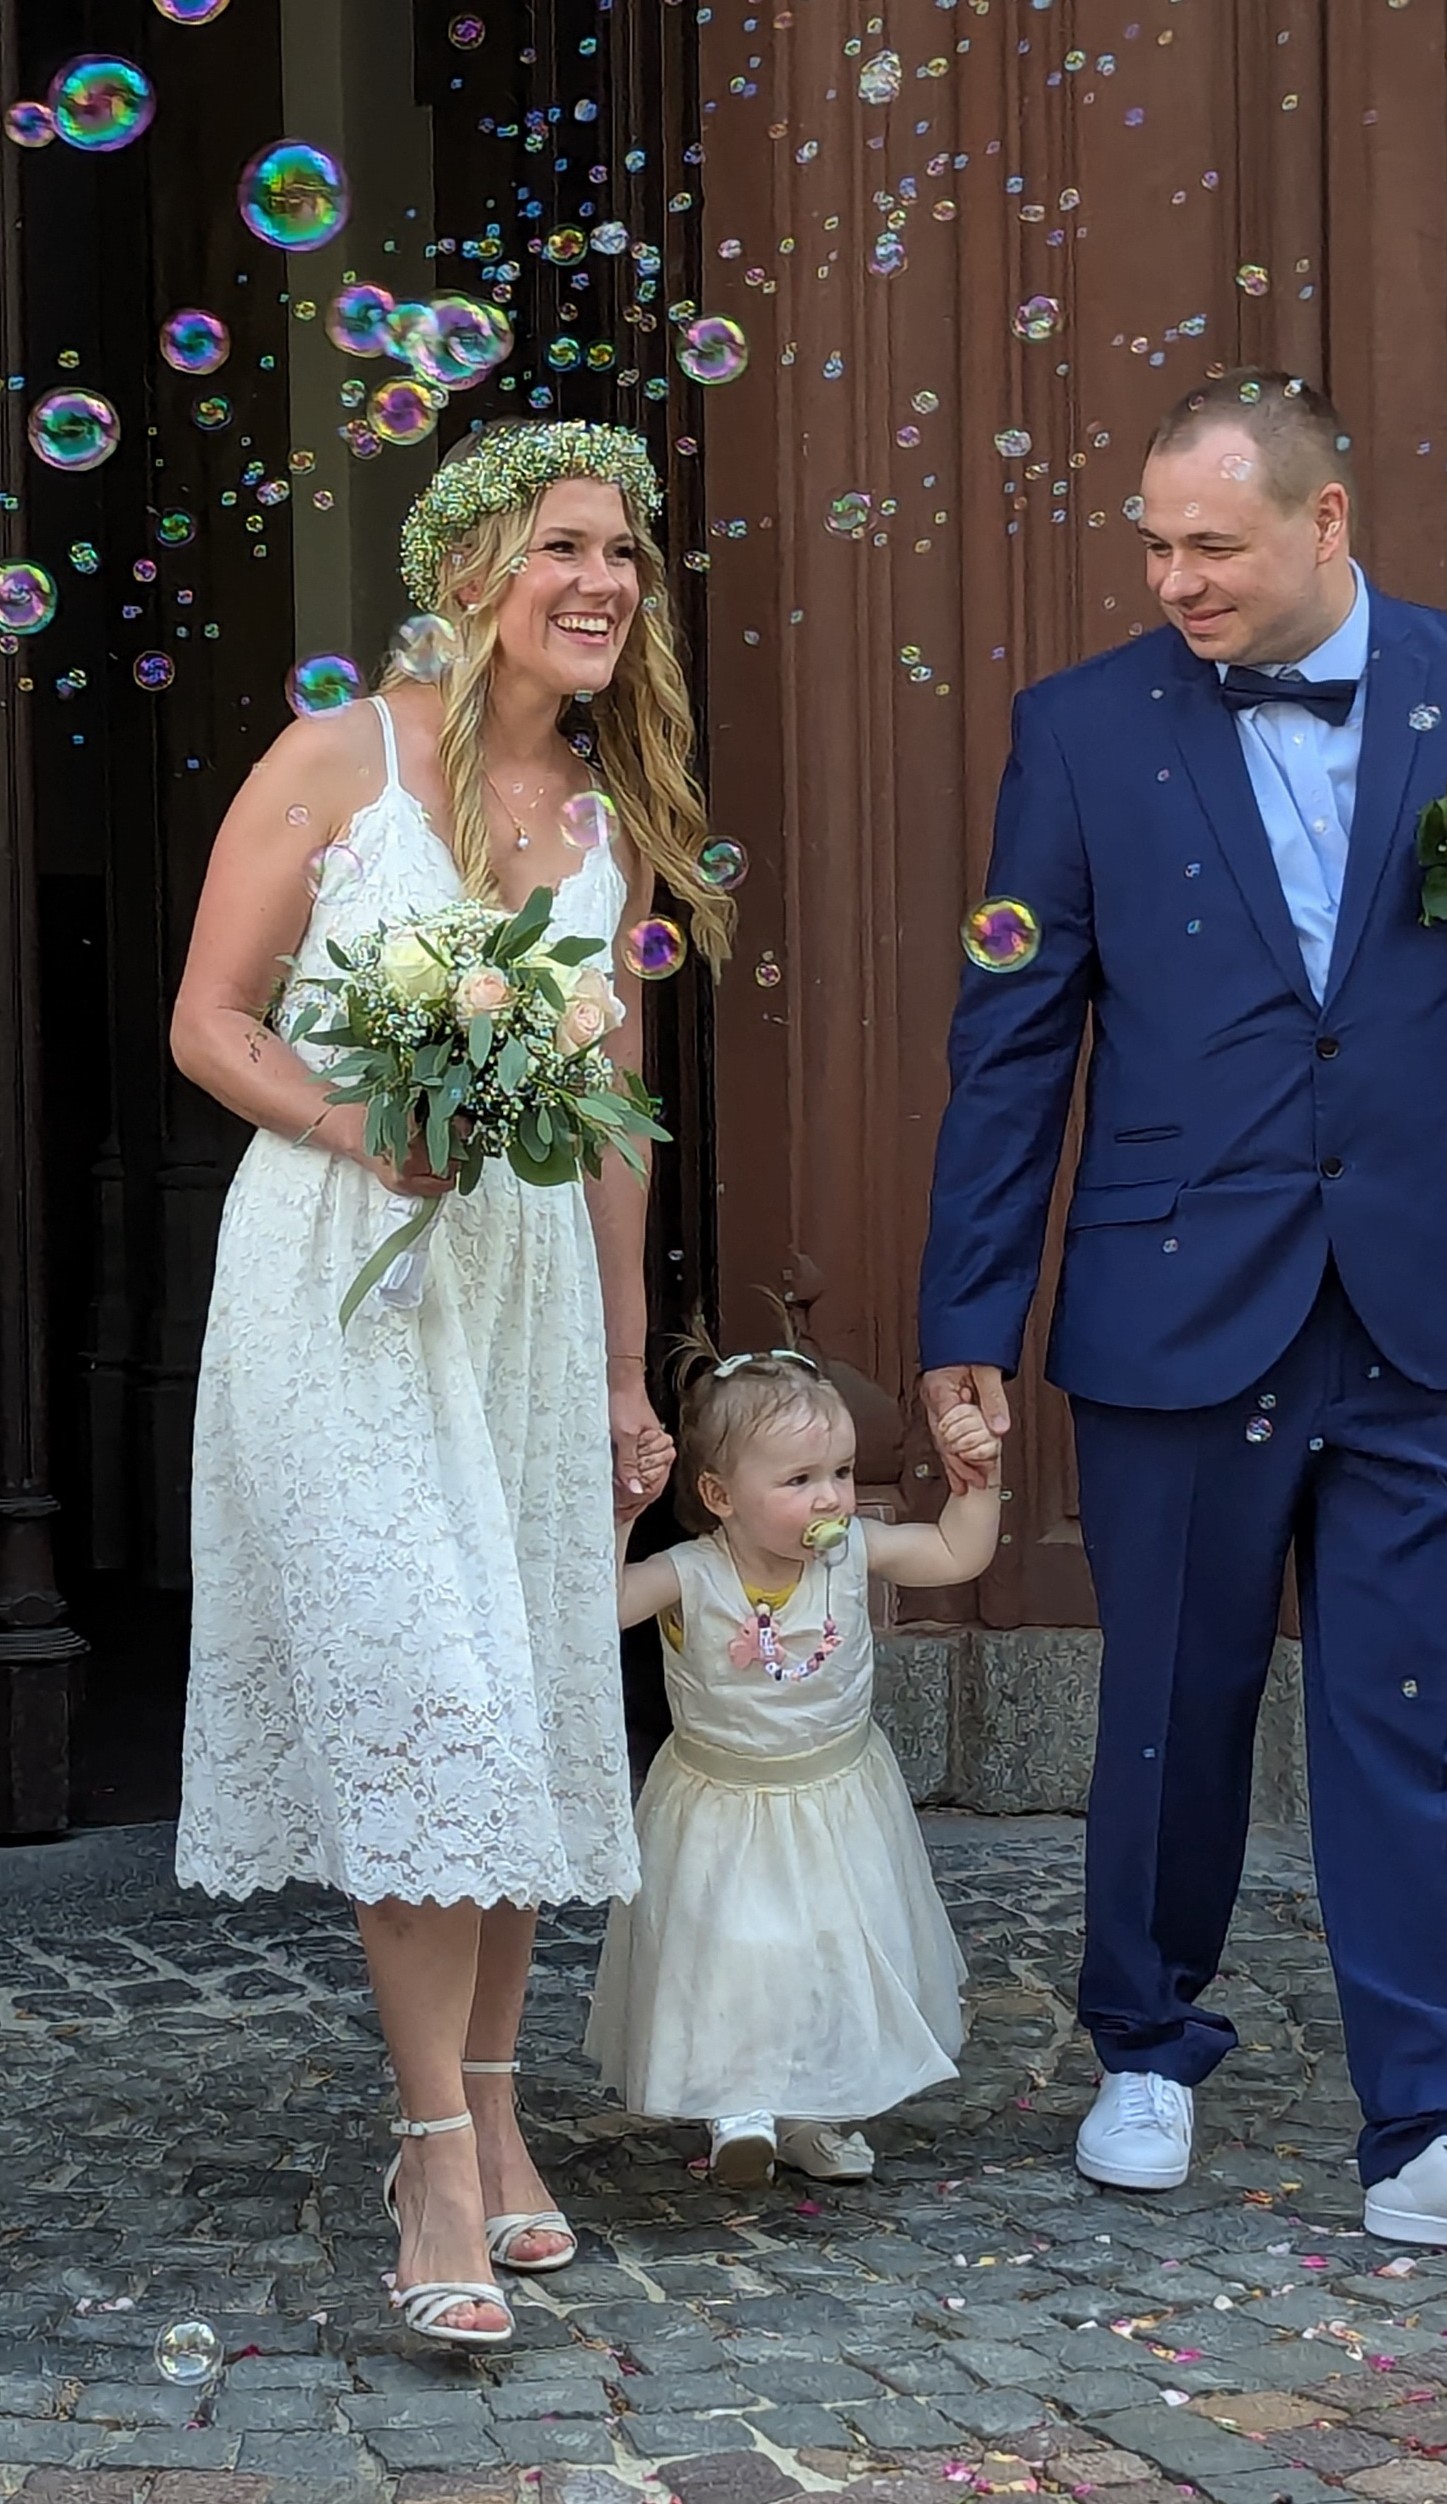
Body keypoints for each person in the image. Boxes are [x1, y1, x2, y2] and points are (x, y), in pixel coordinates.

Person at [916, 371, 1447, 2265]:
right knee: (1172, 1702)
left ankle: (1441, 2117)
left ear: (1328, 522)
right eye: (1154, 544)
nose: (1175, 578)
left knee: (1412, 1716)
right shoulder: (1078, 727)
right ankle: (1147, 2042)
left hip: (1427, 1286)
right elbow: (1014, 1047)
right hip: (1173, 1290)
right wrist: (966, 1311)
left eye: (1214, 544)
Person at [169, 421, 729, 2347]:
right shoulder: (340, 761)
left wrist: (625, 1370)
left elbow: (616, 1124)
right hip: (340, 1283)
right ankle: (429, 2148)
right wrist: (360, 1119)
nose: (604, 582)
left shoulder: (604, 817)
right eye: (566, 544)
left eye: (625, 554)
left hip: (518, 1302)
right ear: (474, 568)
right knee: (436, 1694)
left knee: (526, 1693)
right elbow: (207, 1017)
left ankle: (493, 2107)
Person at [584, 1347, 1000, 2186]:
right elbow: (600, 1606)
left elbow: (956, 1554)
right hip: (724, 1808)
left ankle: (817, 2110)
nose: (831, 1498)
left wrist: (977, 1483)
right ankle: (739, 2102)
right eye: (800, 1480)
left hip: (837, 1802)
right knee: (737, 1951)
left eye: (840, 1472)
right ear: (720, 1496)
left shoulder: (852, 1554)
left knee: (831, 1951)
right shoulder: (690, 1575)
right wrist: (623, 1514)